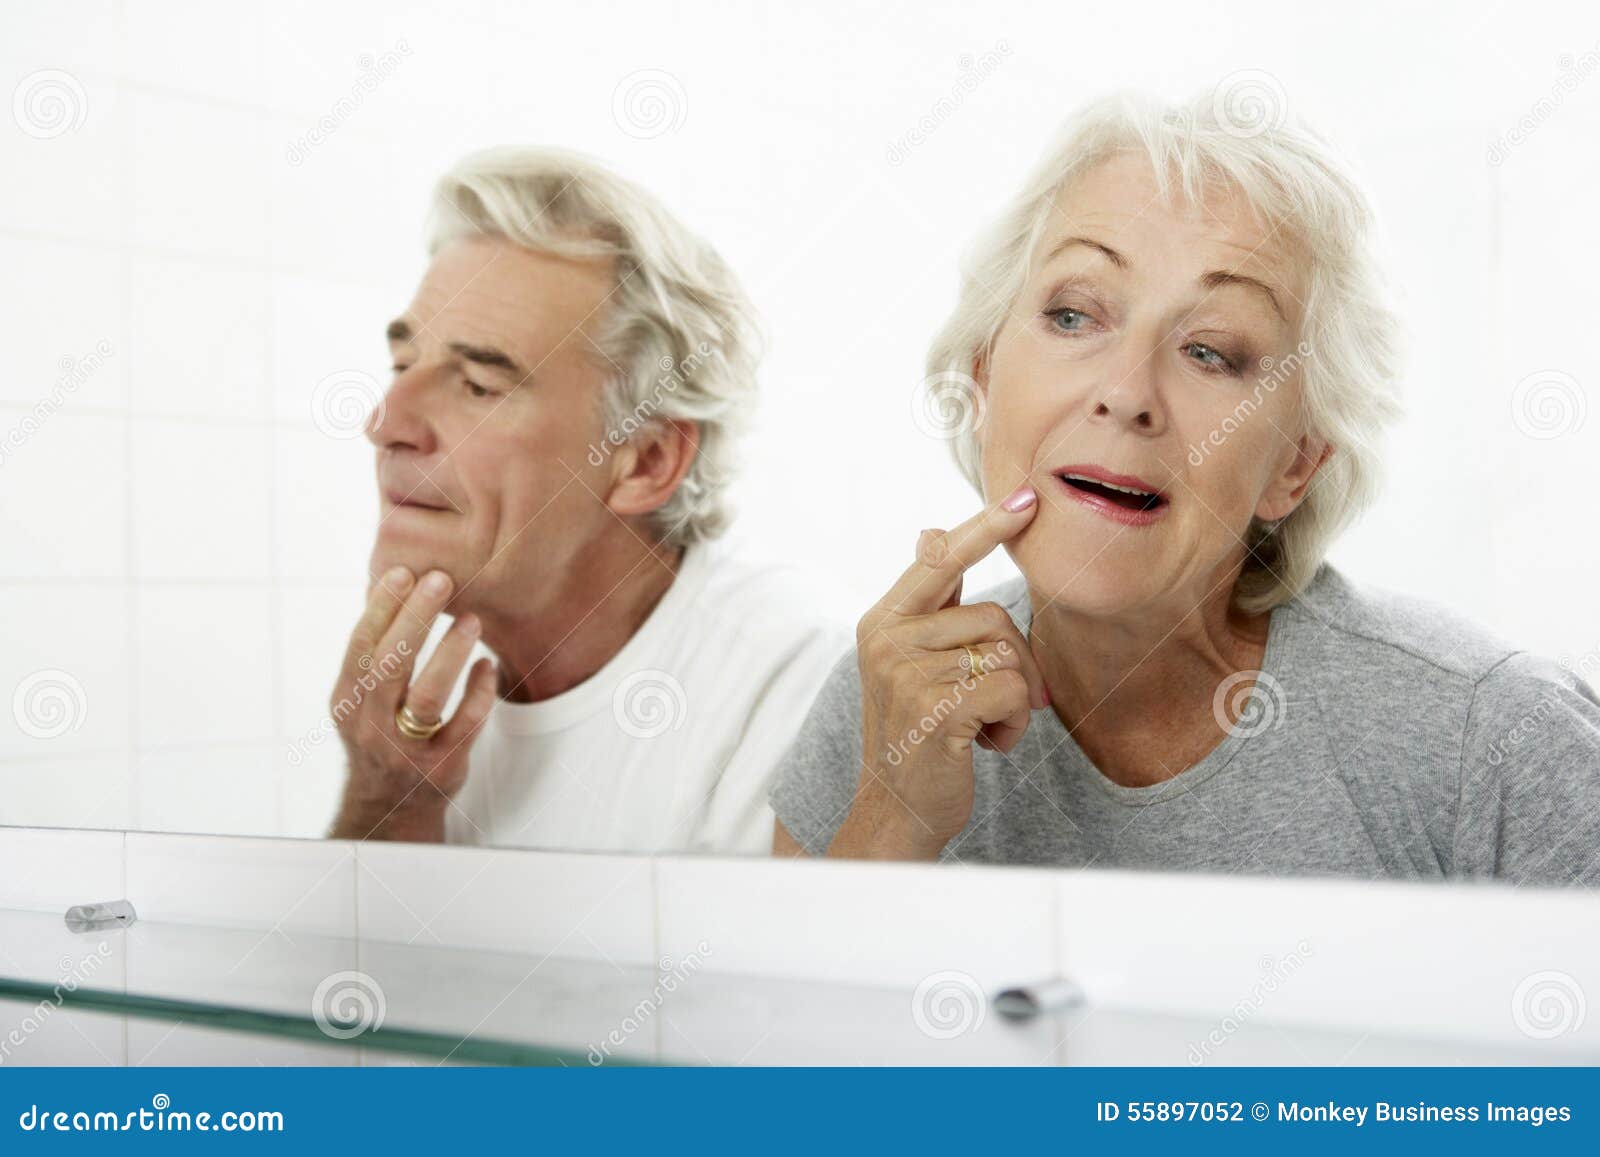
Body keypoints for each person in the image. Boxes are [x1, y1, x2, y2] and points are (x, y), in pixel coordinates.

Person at [770, 91, 1600, 885]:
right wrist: (889, 823)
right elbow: (774, 1031)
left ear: (1296, 464)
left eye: (1212, 351)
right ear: (983, 379)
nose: (1126, 391)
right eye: (1074, 315)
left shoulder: (1495, 739)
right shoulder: (885, 695)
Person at [326, 147, 847, 854]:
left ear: (648, 459)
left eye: (476, 385)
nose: (386, 424)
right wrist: (382, 800)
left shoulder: (792, 693)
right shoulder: (412, 713)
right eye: (402, 365)